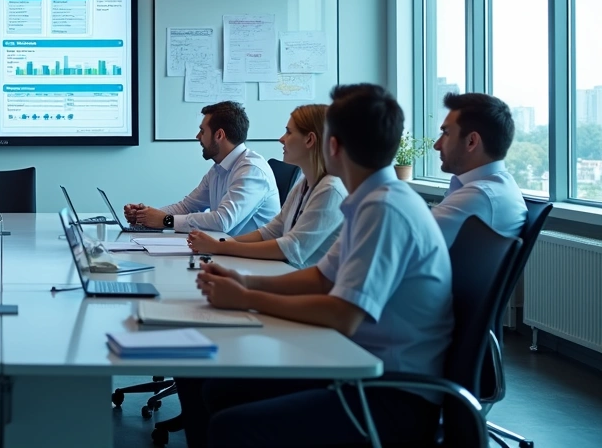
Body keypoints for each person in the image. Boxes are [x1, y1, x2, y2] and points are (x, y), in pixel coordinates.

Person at [175, 84, 452, 447]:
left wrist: (245, 299)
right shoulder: (370, 199)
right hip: (355, 362)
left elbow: (343, 315)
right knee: (217, 388)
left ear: (331, 145)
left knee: (230, 425)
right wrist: (243, 281)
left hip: (390, 394)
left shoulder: (384, 209)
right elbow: (323, 278)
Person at [186, 104, 346, 268]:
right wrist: (219, 243)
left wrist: (221, 247)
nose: (281, 139)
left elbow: (290, 248)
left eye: (289, 132)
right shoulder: (304, 184)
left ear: (309, 139)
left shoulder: (330, 190)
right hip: (286, 271)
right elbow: (271, 232)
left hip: (307, 282)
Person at [125, 101, 280, 235]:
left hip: (252, 261)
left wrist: (166, 220)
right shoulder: (218, 168)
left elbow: (223, 221)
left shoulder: (251, 171)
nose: (197, 137)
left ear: (219, 135)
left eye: (202, 131)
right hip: (229, 251)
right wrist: (146, 215)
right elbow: (187, 207)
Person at [431, 92, 527, 245]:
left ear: (471, 141)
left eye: (446, 133)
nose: (437, 145)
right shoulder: (500, 185)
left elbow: (401, 244)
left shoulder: (478, 196)